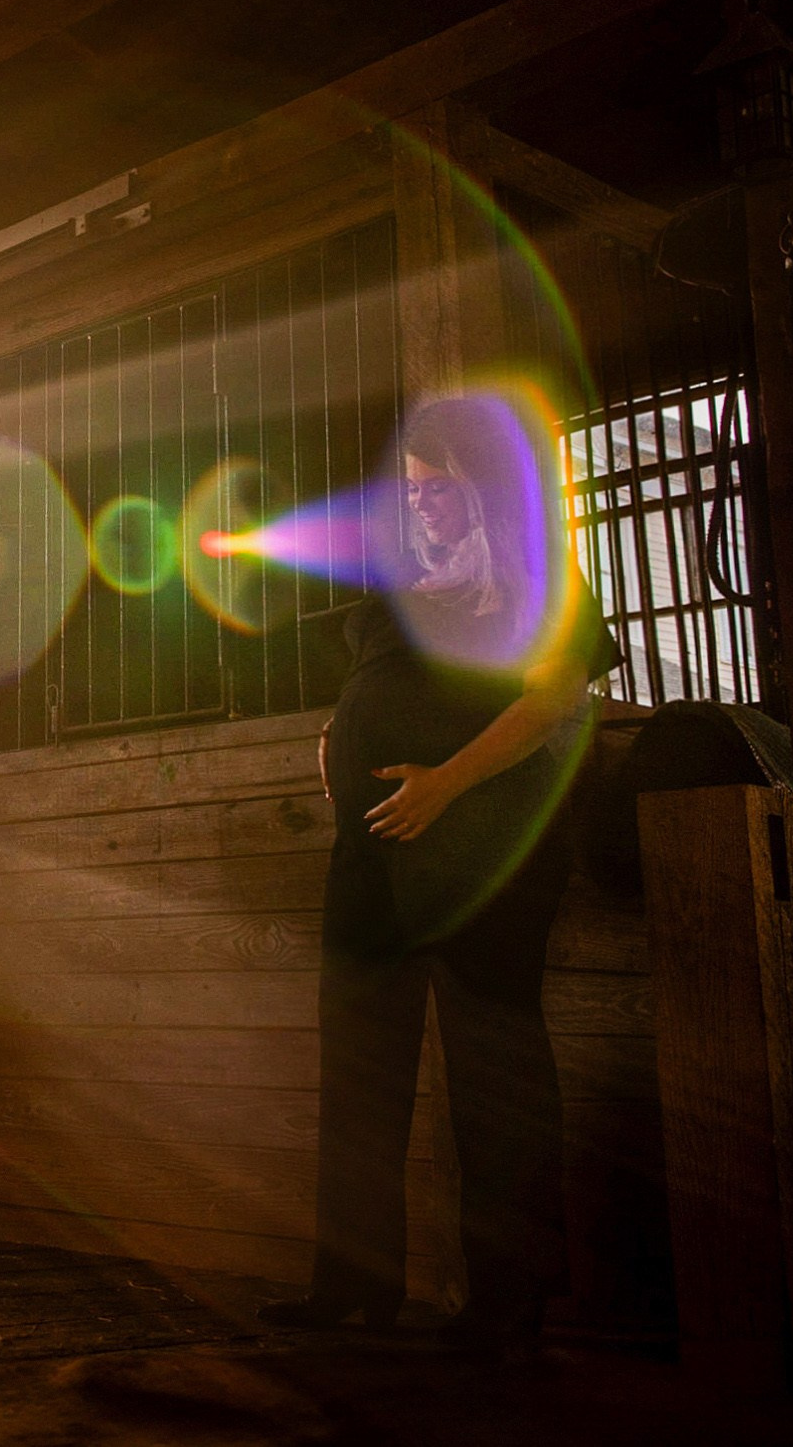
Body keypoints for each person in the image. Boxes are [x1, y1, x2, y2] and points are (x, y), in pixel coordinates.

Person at [259, 394, 619, 1346]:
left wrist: (444, 784)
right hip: (373, 854)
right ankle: (353, 1282)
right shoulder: (399, 590)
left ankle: (510, 1300)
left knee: (494, 1073)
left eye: (440, 488)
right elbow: (370, 694)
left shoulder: (545, 584)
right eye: (412, 489)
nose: (420, 504)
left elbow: (549, 704)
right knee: (357, 1066)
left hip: (484, 853)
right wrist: (336, 742)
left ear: (485, 486)